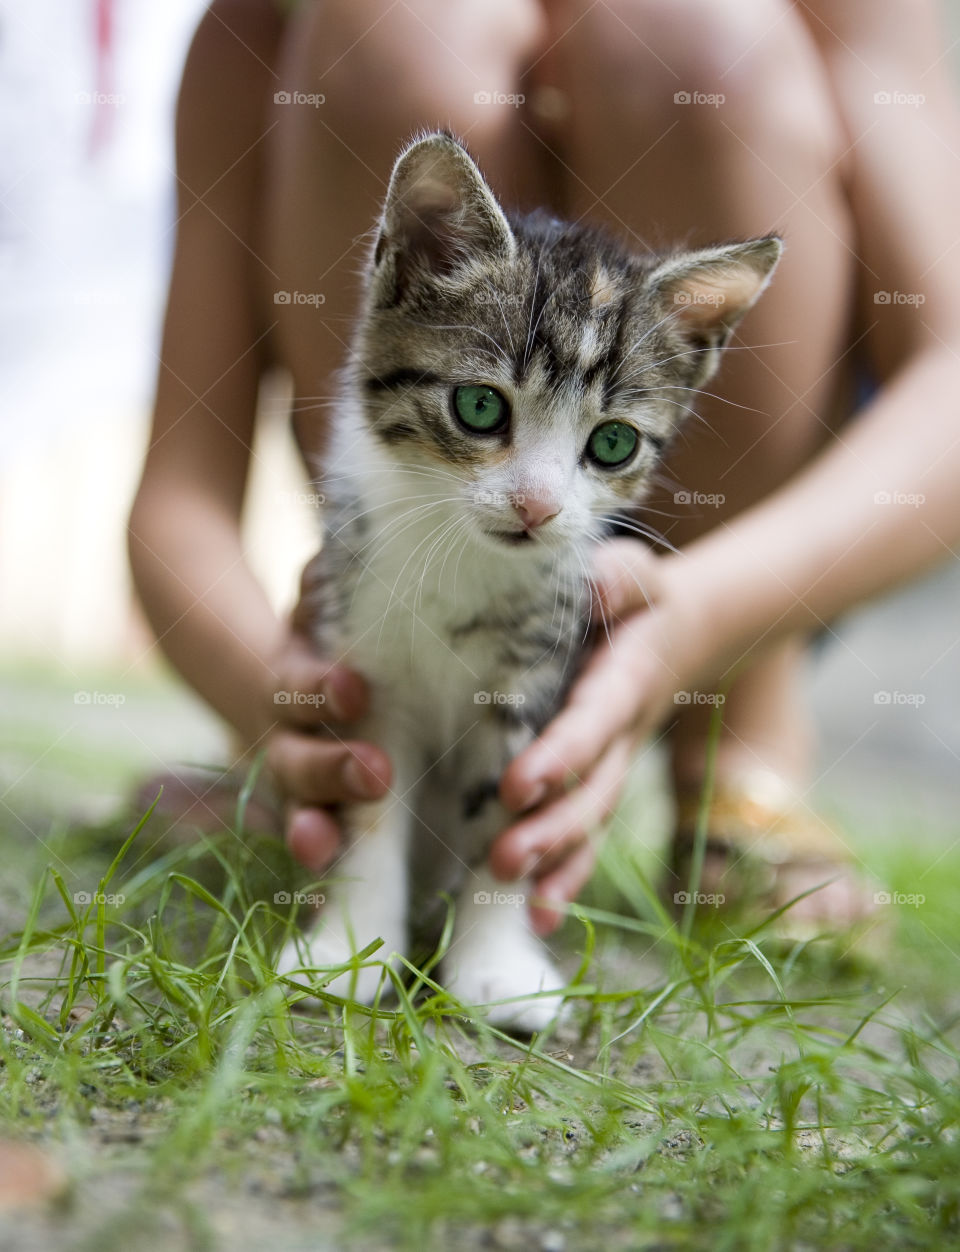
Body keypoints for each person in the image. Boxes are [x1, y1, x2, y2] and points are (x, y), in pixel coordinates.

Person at [129, 0, 960, 937]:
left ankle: (738, 742)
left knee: (687, 37)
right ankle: (347, 758)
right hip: (401, 582)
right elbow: (177, 495)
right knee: (395, 34)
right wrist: (279, 693)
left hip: (717, 567)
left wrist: (701, 617)